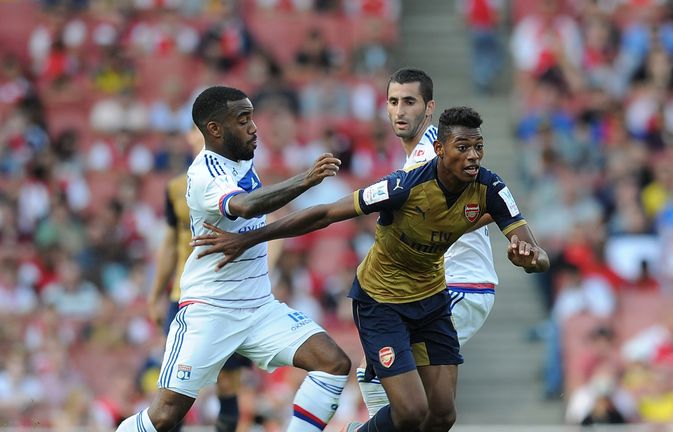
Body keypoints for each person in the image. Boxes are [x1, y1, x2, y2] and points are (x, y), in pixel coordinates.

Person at [191, 106, 550, 432]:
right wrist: (248, 239)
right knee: (410, 412)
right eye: (463, 147)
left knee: (442, 416)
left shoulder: (490, 187)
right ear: (440, 149)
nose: (473, 156)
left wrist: (530, 258)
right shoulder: (403, 187)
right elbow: (326, 213)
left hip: (432, 301)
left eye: (478, 147)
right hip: (382, 303)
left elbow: (536, 252)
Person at [116, 86, 351, 432]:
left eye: (251, 117)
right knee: (164, 416)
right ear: (214, 129)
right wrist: (306, 179)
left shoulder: (241, 159)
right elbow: (244, 206)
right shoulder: (204, 173)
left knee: (333, 363)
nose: (254, 128)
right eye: (243, 121)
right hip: (210, 312)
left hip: (259, 309)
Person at [353, 67, 507, 418]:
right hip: (443, 285)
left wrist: (443, 230)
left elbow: (490, 204)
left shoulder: (431, 156)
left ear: (429, 108)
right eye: (394, 102)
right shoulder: (421, 156)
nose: (400, 110)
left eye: (410, 102)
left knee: (374, 373)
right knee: (427, 406)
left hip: (459, 283)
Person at [145, 128, 252, 432]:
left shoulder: (242, 184)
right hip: (184, 296)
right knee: (174, 384)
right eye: (195, 131)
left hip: (227, 295)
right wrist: (155, 295)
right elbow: (170, 244)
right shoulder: (176, 188)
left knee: (228, 382)